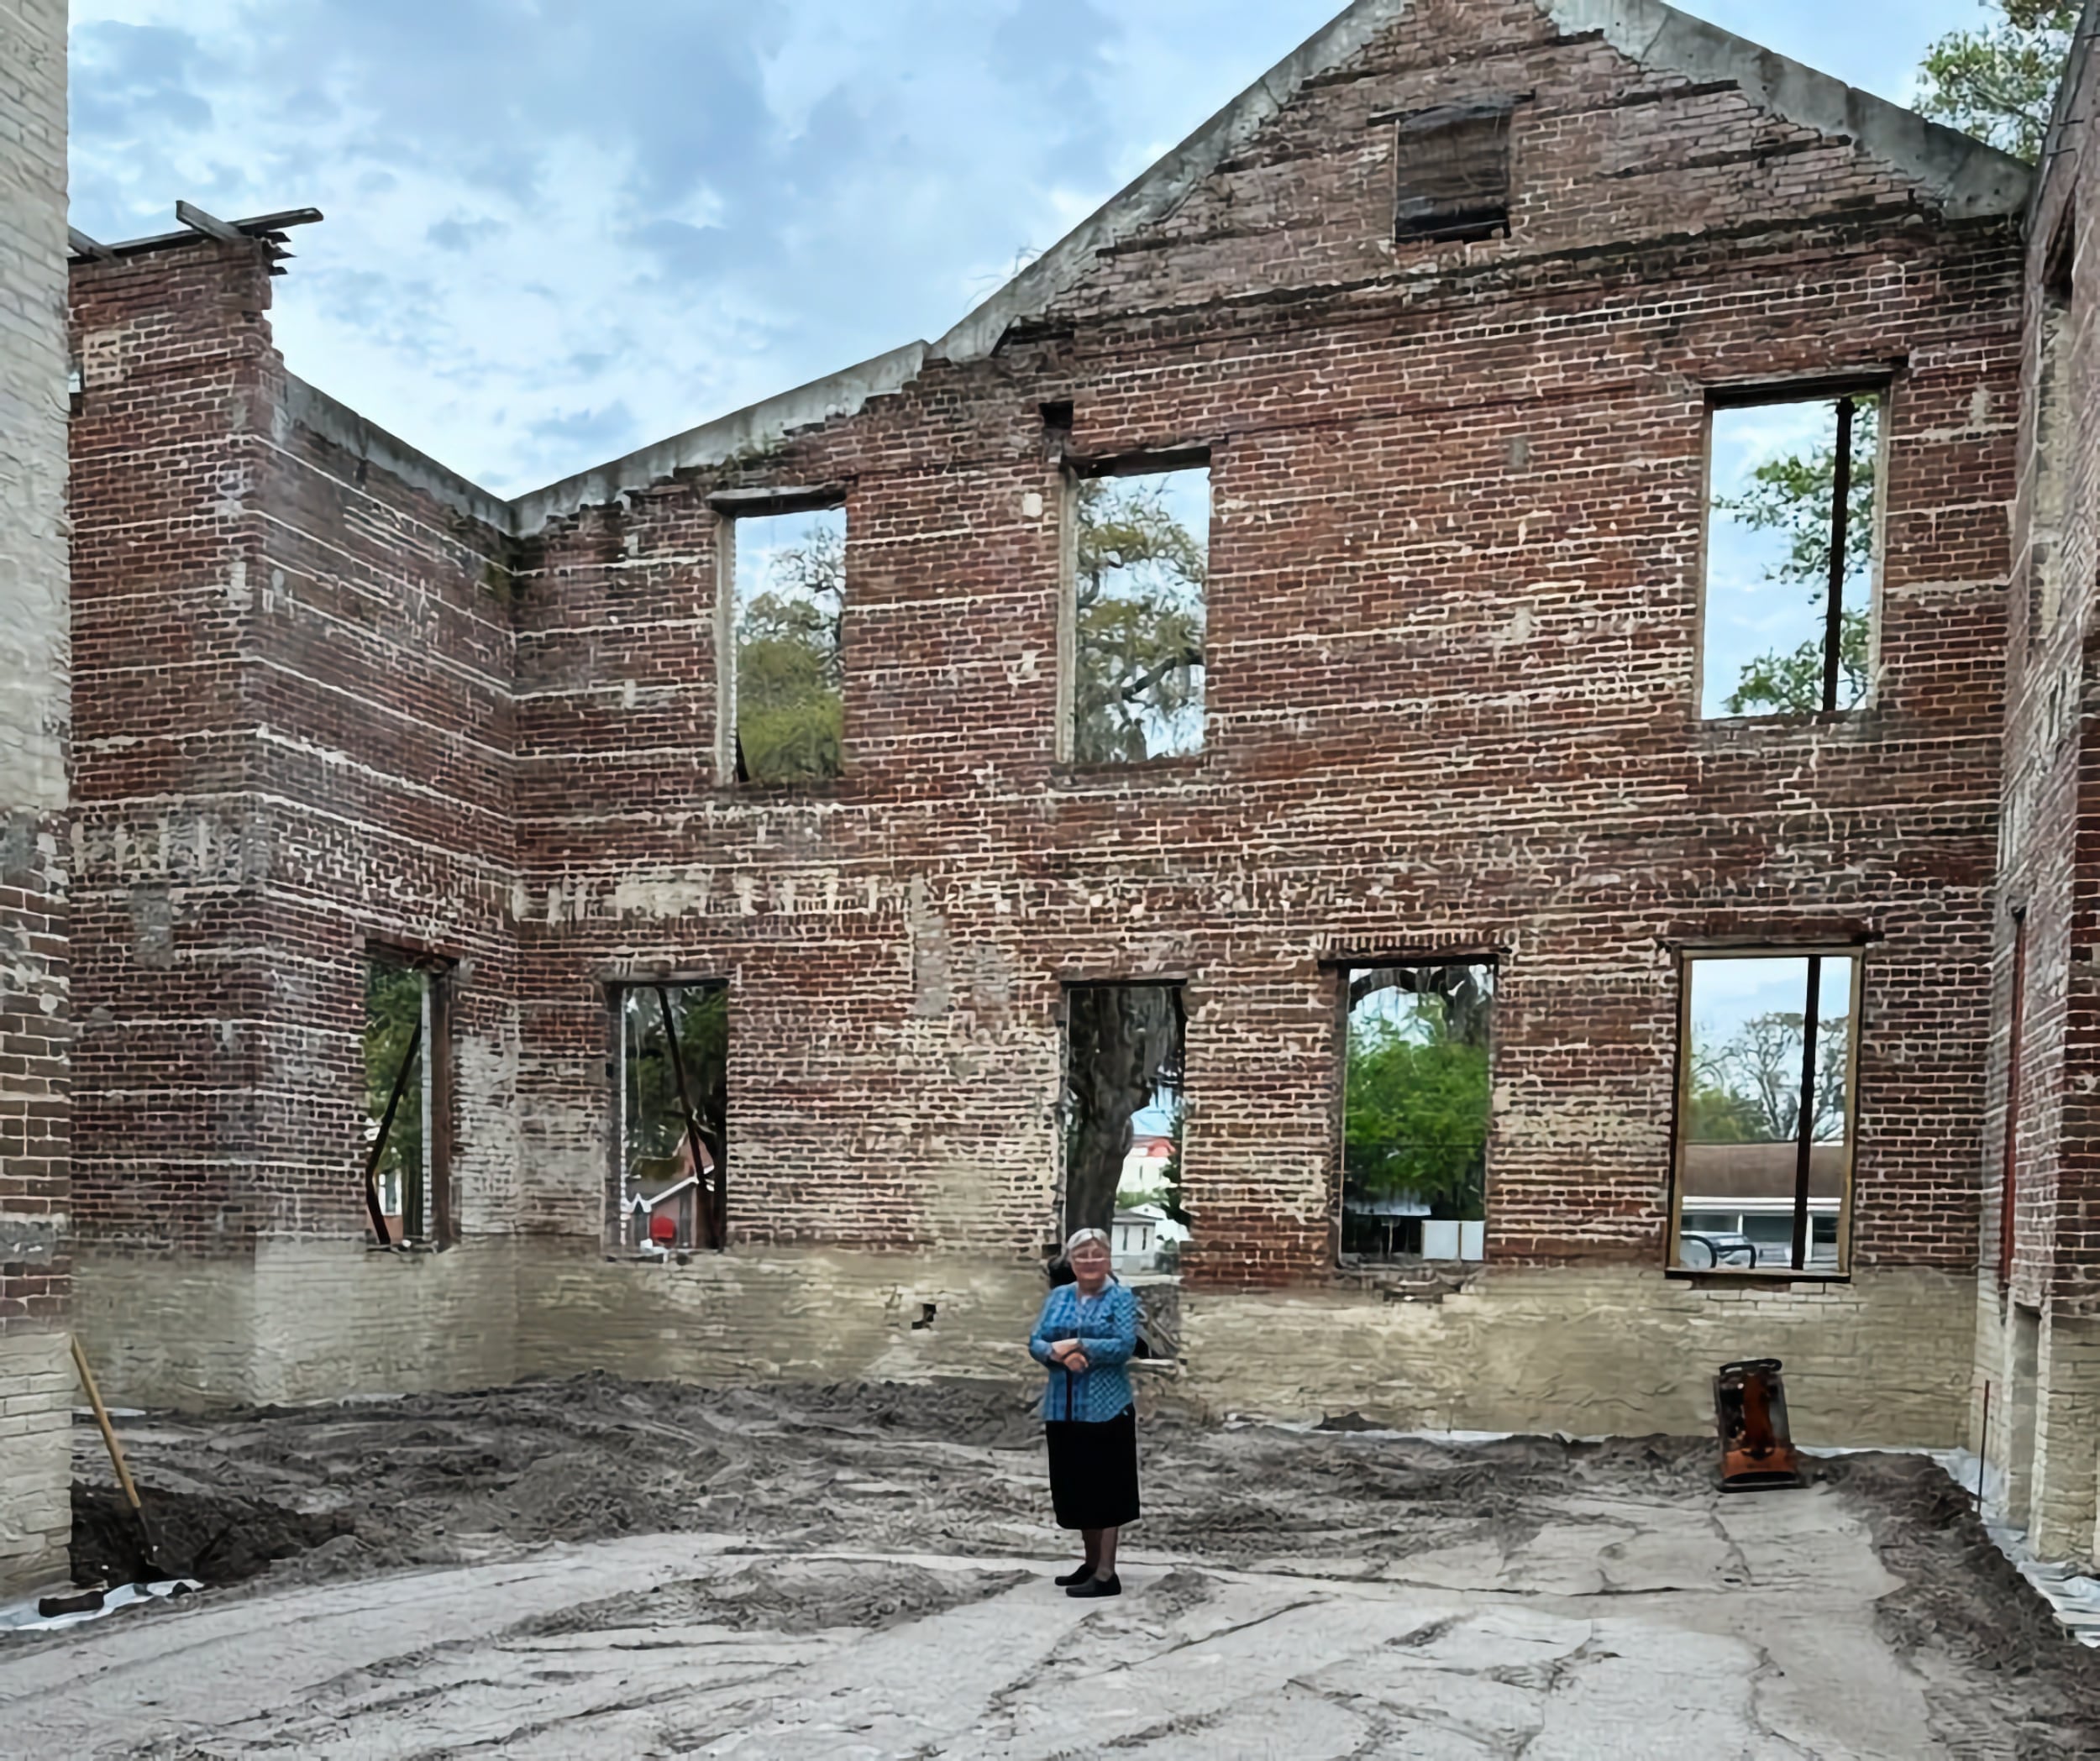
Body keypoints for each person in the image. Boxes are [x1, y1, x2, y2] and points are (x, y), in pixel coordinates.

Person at [1028, 1227, 1140, 1597]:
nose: (1090, 1262)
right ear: (1071, 1263)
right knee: (1076, 1489)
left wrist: (1080, 1345)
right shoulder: (1059, 1296)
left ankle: (1107, 1573)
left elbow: (1123, 1346)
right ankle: (1090, 1563)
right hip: (1064, 1407)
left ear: (1108, 1260)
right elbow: (1036, 1340)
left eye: (1097, 1255)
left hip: (1106, 1407)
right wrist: (1058, 1354)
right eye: (1082, 1256)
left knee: (1107, 1489)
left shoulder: (1120, 1297)